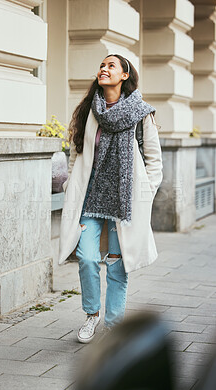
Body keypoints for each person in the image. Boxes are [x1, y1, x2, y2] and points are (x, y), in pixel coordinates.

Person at [58, 54, 163, 344]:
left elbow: (154, 161)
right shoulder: (89, 111)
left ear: (125, 75)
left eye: (111, 66)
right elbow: (76, 152)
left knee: (117, 265)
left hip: (124, 201)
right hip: (90, 197)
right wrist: (70, 184)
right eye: (101, 65)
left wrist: (146, 194)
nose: (104, 69)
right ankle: (92, 315)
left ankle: (114, 327)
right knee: (87, 258)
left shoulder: (142, 113)